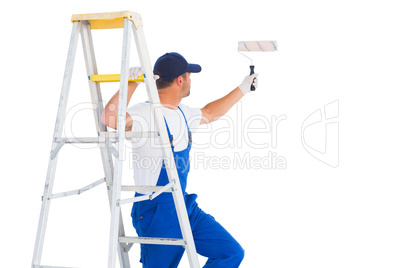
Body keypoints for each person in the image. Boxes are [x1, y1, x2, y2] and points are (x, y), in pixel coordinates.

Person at [101, 52, 258, 268]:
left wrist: (243, 88)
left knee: (230, 253)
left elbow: (210, 113)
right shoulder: (145, 113)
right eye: (189, 76)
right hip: (156, 211)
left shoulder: (183, 113)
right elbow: (109, 119)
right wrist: (131, 83)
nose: (191, 80)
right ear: (180, 80)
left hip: (183, 205)